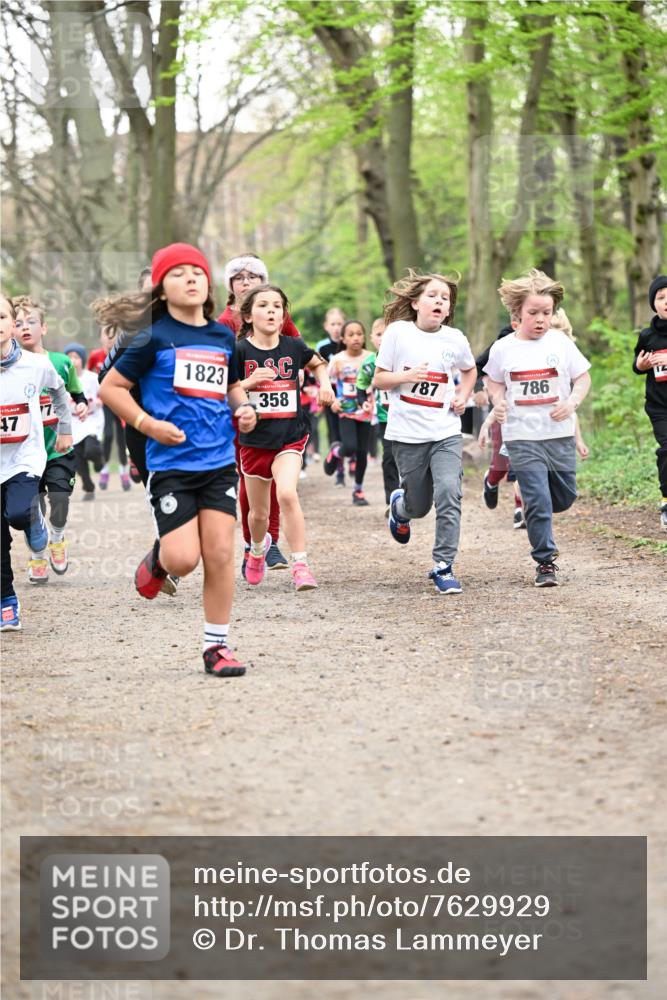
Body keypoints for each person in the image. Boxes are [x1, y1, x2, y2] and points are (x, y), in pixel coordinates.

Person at [97, 242, 257, 677]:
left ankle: (216, 646)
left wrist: (243, 409)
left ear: (209, 285)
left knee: (220, 553)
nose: (190, 278)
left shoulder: (221, 336)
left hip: (218, 462)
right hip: (170, 466)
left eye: (197, 272)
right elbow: (110, 388)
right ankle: (159, 559)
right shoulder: (152, 336)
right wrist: (147, 424)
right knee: (184, 559)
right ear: (161, 289)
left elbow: (231, 386)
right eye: (178, 273)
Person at [484, 268, 592, 587]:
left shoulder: (561, 343)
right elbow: (492, 380)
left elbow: (583, 377)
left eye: (547, 312)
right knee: (537, 500)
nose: (541, 319)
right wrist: (498, 401)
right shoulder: (503, 348)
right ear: (517, 312)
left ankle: (540, 513)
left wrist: (571, 403)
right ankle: (545, 561)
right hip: (521, 436)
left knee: (565, 497)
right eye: (533, 313)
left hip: (558, 434)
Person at [374, 270, 476, 594]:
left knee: (449, 492)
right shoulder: (397, 333)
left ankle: (443, 566)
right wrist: (405, 377)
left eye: (445, 298)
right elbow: (379, 379)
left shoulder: (455, 339)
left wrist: (463, 396)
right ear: (416, 303)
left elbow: (470, 370)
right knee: (419, 506)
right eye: (432, 295)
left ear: (448, 309)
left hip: (445, 431)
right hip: (407, 435)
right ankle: (399, 508)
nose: (439, 301)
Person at [235, 283, 334, 590]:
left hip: (290, 436)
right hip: (254, 442)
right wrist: (249, 382)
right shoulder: (239, 351)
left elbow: (317, 363)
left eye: (277, 306)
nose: (271, 311)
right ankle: (256, 549)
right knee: (258, 516)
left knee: (288, 493)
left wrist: (325, 385)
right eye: (263, 305)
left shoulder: (293, 346)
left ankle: (300, 566)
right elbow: (225, 390)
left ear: (283, 315)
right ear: (248, 316)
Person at [96, 269, 178, 597]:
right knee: (161, 498)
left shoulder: (197, 332)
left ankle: (165, 559)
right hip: (144, 429)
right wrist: (141, 413)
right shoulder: (133, 335)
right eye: (149, 292)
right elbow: (106, 380)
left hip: (187, 428)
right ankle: (166, 561)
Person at [218, 253, 297, 574]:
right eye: (239, 277)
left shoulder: (277, 313)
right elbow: (222, 373)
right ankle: (253, 542)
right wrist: (246, 384)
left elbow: (297, 350)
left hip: (280, 409)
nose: (246, 282)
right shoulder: (224, 322)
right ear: (230, 285)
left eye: (253, 276)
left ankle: (272, 542)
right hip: (243, 412)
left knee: (279, 477)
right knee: (251, 478)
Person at [1, 293, 73, 630]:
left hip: (23, 459)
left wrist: (65, 428)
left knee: (18, 513)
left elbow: (59, 391)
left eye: (2, 317)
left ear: (12, 324)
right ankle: (6, 600)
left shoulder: (36, 365)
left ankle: (34, 522)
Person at [13, 296, 88, 580]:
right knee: (31, 507)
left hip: (58, 447)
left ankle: (57, 537)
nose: (25, 327)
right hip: (25, 452)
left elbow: (77, 393)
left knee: (59, 499)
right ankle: (37, 556)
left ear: (43, 328)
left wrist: (81, 404)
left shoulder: (61, 362)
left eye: (31, 322)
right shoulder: (9, 367)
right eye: (18, 323)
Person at [324, 320, 374, 506]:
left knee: (362, 452)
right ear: (343, 339)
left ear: (364, 337)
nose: (356, 338)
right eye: (351, 335)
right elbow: (326, 383)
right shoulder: (337, 360)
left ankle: (358, 490)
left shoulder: (372, 358)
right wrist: (333, 401)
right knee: (350, 447)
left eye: (359, 334)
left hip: (366, 410)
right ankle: (336, 451)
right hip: (346, 410)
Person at [633, 275, 667, 531]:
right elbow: (637, 365)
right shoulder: (647, 335)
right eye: (661, 297)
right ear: (653, 304)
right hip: (659, 407)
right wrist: (642, 364)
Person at [356, 317, 399, 515]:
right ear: (372, 338)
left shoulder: (404, 358)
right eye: (379, 335)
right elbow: (361, 384)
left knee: (409, 457)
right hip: (384, 418)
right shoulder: (370, 363)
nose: (383, 339)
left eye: (388, 335)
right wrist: (362, 400)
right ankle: (392, 501)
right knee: (389, 457)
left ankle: (411, 494)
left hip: (409, 416)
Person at [63, 342, 105, 501]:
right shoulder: (62, 380)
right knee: (78, 458)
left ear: (83, 359)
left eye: (76, 357)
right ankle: (88, 488)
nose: (73, 360)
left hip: (91, 418)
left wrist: (101, 400)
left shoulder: (92, 378)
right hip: (74, 421)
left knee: (91, 450)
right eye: (69, 357)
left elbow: (104, 392)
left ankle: (99, 461)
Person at [96, 323, 131, 491]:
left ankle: (124, 471)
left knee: (122, 437)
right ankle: (104, 470)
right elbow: (89, 378)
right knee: (108, 435)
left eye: (113, 334)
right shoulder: (96, 356)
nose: (110, 339)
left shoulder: (123, 355)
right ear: (100, 337)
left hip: (120, 401)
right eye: (106, 334)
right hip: (104, 404)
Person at [316, 307, 346, 484]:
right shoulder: (322, 347)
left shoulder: (350, 342)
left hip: (349, 395)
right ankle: (339, 471)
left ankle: (353, 461)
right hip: (330, 395)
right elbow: (317, 371)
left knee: (350, 432)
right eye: (333, 324)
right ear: (326, 326)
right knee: (334, 431)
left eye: (339, 324)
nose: (336, 328)